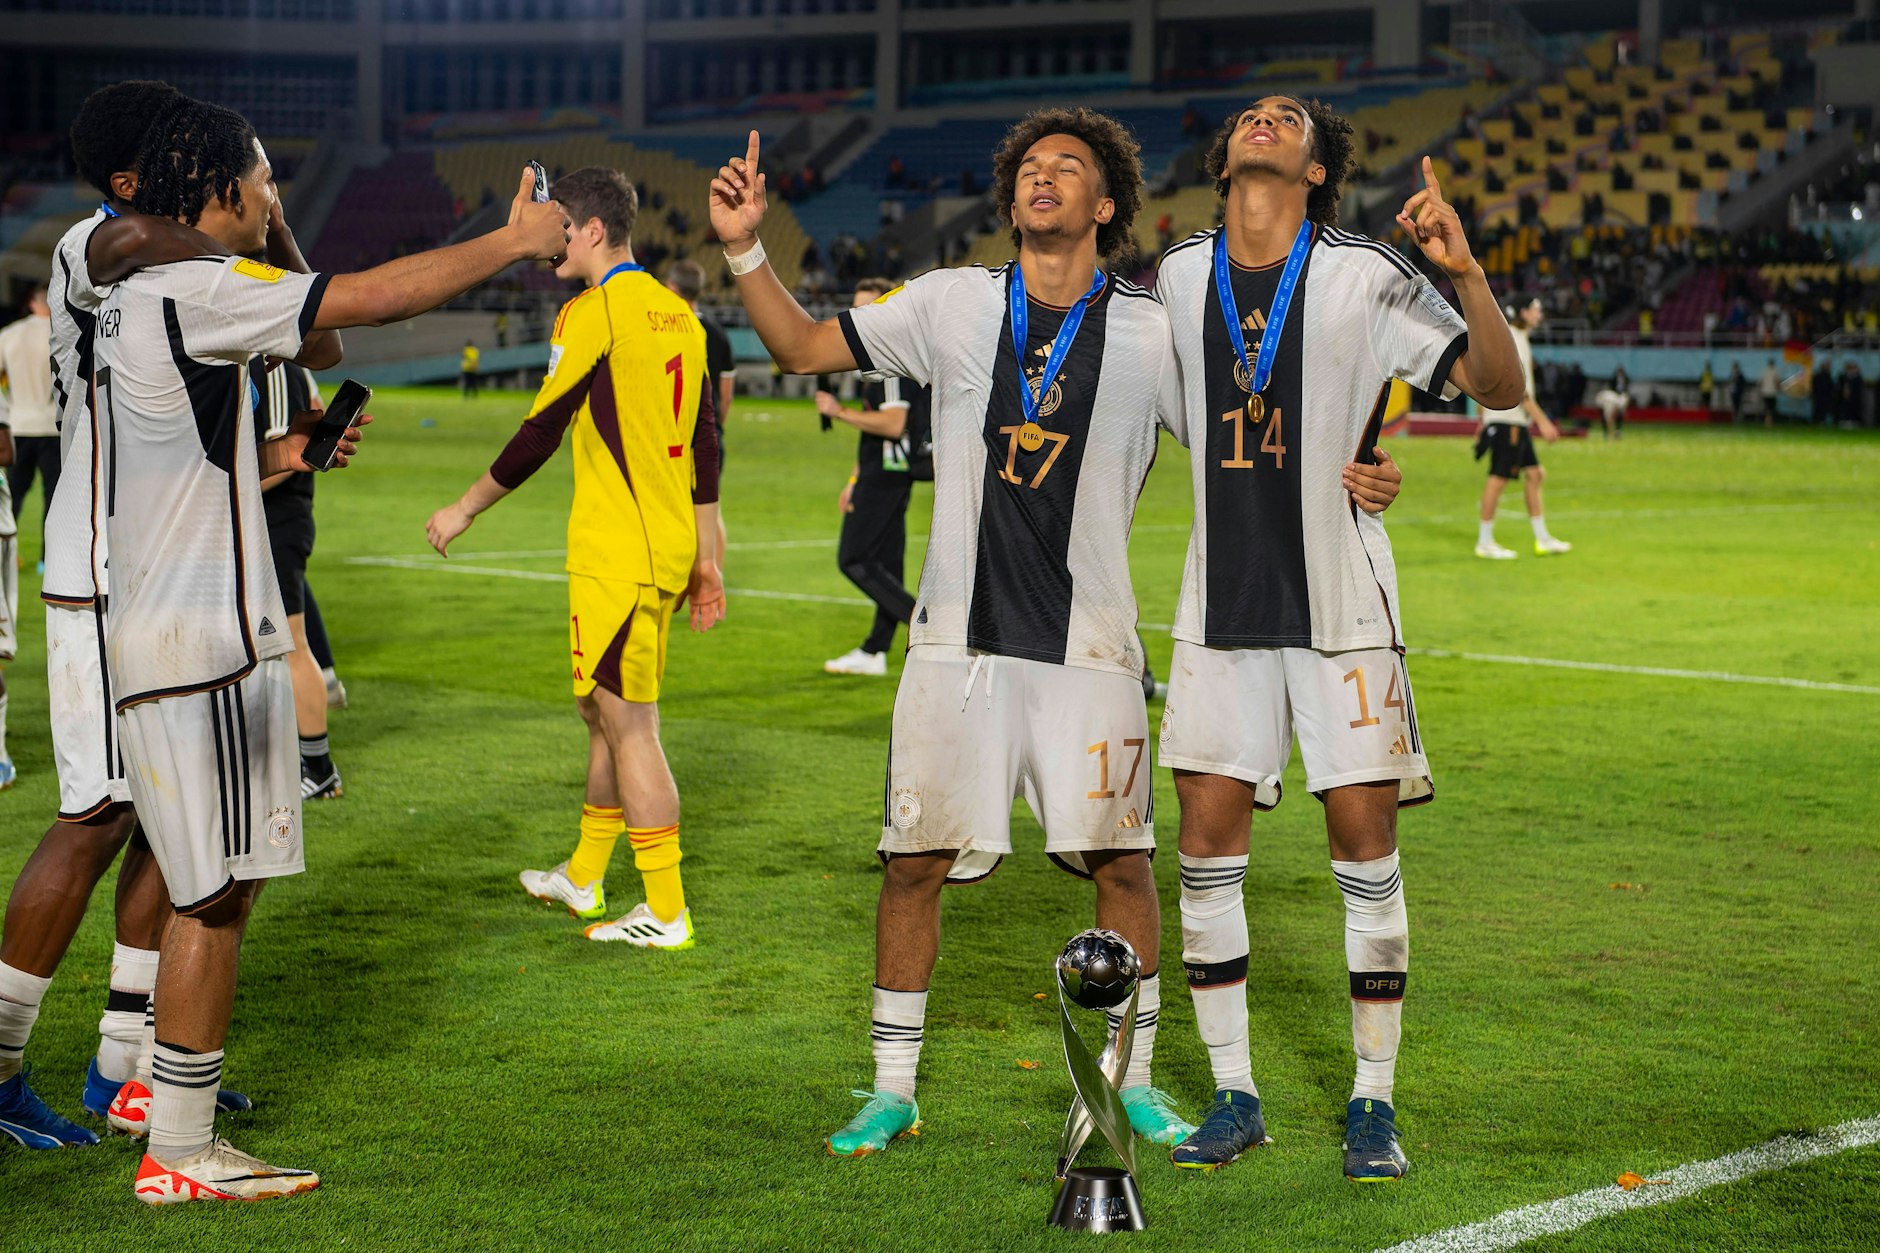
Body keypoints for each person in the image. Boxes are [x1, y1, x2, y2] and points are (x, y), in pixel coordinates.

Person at [94, 96, 568, 1203]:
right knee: (212, 893)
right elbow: (361, 302)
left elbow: (183, 453)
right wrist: (507, 242)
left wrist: (282, 452)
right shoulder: (193, 284)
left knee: (215, 881)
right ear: (215, 190)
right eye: (260, 179)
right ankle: (181, 1149)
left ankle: (155, 1104)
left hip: (182, 611)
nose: (273, 195)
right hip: (199, 628)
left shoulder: (133, 296)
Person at [712, 114, 1195, 1159]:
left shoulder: (1155, 333)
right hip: (952, 649)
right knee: (912, 862)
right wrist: (746, 243)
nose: (1043, 178)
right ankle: (891, 1087)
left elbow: (1246, 451)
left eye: (1067, 168)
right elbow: (797, 346)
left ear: (1106, 204)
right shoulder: (949, 301)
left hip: (1090, 650)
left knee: (1120, 862)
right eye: (1029, 167)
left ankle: (1138, 1081)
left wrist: (1357, 471)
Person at [1153, 97, 1523, 1180]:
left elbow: (1500, 386)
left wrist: (1465, 274)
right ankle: (1234, 1091)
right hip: (1216, 609)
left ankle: (1372, 1100)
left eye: (1286, 118)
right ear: (1223, 156)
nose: (1262, 121)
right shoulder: (1175, 275)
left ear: (1316, 169)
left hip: (1341, 610)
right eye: (1249, 115)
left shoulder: (1364, 271)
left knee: (1364, 848)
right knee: (1203, 852)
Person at [2, 80, 253, 1154]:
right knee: (98, 813)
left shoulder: (159, 251)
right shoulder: (91, 246)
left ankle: (125, 1067)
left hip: (154, 564)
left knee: (163, 817)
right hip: (102, 568)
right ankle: (3, 1064)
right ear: (126, 183)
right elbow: (136, 255)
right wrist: (249, 211)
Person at [426, 167, 723, 952]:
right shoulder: (678, 313)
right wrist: (710, 553)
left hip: (617, 549)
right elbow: (706, 443)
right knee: (600, 711)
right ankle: (586, 874)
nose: (555, 241)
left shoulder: (593, 311)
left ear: (591, 231)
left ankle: (666, 909)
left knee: (630, 725)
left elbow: (540, 428)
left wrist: (463, 506)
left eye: (562, 228)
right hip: (660, 543)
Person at [813, 277, 932, 676]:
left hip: (887, 473)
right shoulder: (880, 356)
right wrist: (852, 479)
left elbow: (893, 423)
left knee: (855, 559)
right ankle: (875, 649)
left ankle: (923, 626)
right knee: (888, 562)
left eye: (869, 308)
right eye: (856, 308)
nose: (859, 316)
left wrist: (838, 412)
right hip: (885, 471)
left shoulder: (890, 361)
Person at [253, 357, 344, 800]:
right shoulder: (275, 361)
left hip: (276, 519)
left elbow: (290, 457)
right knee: (274, 643)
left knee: (290, 643)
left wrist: (218, 486)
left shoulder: (274, 366)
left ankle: (320, 767)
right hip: (264, 520)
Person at [1473, 298, 1569, 559]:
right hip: (1509, 420)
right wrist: (1543, 422)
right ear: (1524, 311)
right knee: (1499, 477)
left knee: (1536, 474)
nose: (1540, 313)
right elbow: (1520, 390)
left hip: (1512, 420)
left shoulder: (1515, 337)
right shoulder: (1515, 339)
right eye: (1536, 308)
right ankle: (1484, 541)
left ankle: (1542, 538)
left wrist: (1482, 420)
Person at [664, 259, 734, 563]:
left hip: (674, 435)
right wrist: (715, 426)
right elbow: (725, 394)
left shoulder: (667, 330)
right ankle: (713, 575)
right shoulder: (717, 334)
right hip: (709, 435)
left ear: (672, 288)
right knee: (709, 508)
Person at [0, 285, 58, 558]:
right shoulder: (63, 333)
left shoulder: (9, 335)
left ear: (31, 303)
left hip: (18, 424)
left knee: (12, 495)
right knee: (54, 497)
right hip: (52, 426)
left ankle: (4, 550)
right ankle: (49, 559)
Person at [1759, 357, 1780, 426]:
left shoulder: (1764, 371)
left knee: (1767, 408)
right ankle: (1770, 421)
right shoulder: (1775, 370)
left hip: (1765, 392)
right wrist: (1779, 389)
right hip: (1773, 392)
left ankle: (1767, 421)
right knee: (1772, 408)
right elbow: (1777, 382)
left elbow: (1761, 382)